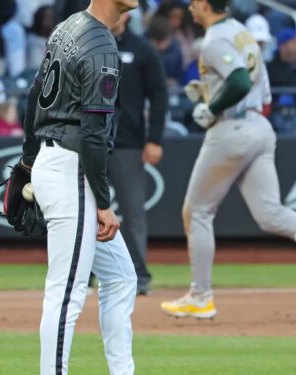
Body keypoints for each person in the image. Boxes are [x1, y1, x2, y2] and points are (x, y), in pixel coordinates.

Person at [159, 0, 296, 320]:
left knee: (197, 211)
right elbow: (261, 92)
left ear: (208, 5)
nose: (191, 7)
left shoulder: (214, 39)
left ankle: (200, 296)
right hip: (259, 125)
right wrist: (212, 93)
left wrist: (213, 107)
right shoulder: (242, 32)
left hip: (231, 128)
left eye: (196, 2)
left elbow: (238, 80)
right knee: (270, 213)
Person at [18, 0, 139, 373]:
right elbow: (91, 135)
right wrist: (104, 202)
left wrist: (27, 160)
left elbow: (34, 97)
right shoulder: (101, 45)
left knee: (121, 277)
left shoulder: (69, 25)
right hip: (72, 171)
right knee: (66, 293)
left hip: (55, 160)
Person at [109, 12, 168, 296]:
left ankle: (138, 275)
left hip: (128, 143)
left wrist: (154, 139)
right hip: (87, 143)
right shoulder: (87, 42)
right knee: (82, 212)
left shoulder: (142, 49)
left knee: (133, 213)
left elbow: (159, 95)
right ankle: (84, 274)